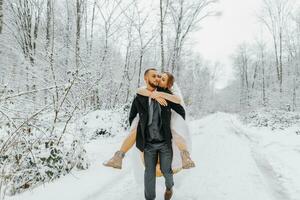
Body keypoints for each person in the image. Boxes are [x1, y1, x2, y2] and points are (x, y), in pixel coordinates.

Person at [103, 71, 195, 177]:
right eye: (160, 77)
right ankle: (118, 157)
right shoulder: (151, 89)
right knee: (136, 130)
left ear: (168, 85)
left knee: (175, 131)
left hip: (172, 117)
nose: (159, 79)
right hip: (155, 124)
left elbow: (177, 100)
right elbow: (140, 91)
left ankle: (185, 156)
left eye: (163, 79)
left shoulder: (169, 92)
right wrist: (154, 95)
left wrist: (160, 94)